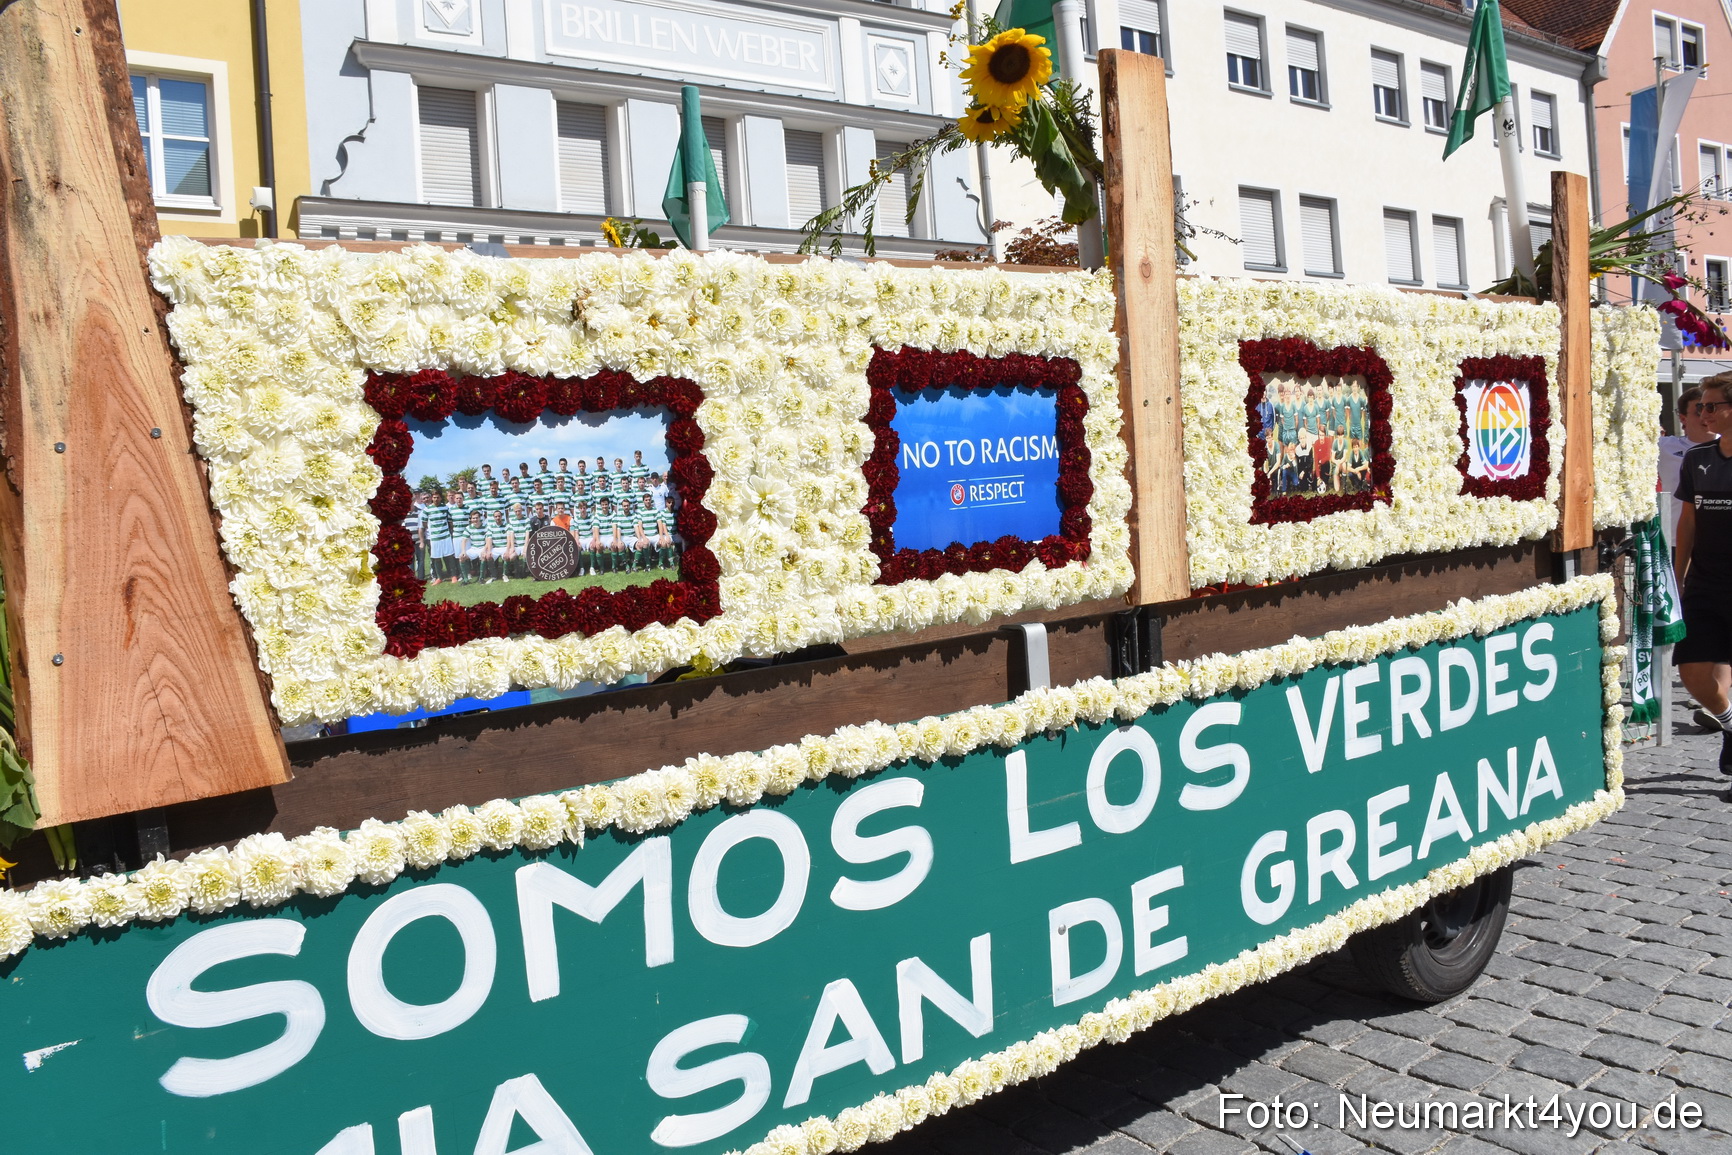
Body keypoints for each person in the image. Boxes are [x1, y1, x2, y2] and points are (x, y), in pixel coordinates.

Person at [1672, 375, 1732, 774]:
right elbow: (1688, 523)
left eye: (1711, 406)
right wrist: (1676, 578)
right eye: (1701, 407)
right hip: (1706, 583)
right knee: (1692, 672)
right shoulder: (1698, 459)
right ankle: (1730, 726)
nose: (1702, 412)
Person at [1661, 385, 1715, 540]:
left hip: (1720, 543)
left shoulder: (1728, 448)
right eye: (1699, 409)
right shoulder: (1664, 447)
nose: (1706, 415)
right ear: (1683, 418)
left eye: (1711, 408)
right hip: (1675, 540)